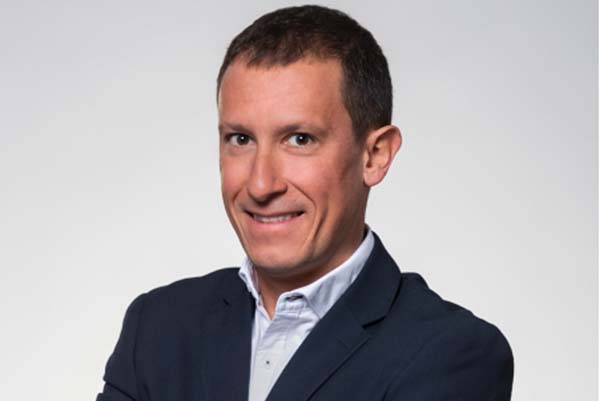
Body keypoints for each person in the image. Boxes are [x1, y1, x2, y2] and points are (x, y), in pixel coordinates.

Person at [96, 5, 513, 401]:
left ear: (375, 155)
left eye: (300, 139)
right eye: (240, 139)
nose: (260, 184)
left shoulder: (451, 353)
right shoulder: (158, 326)